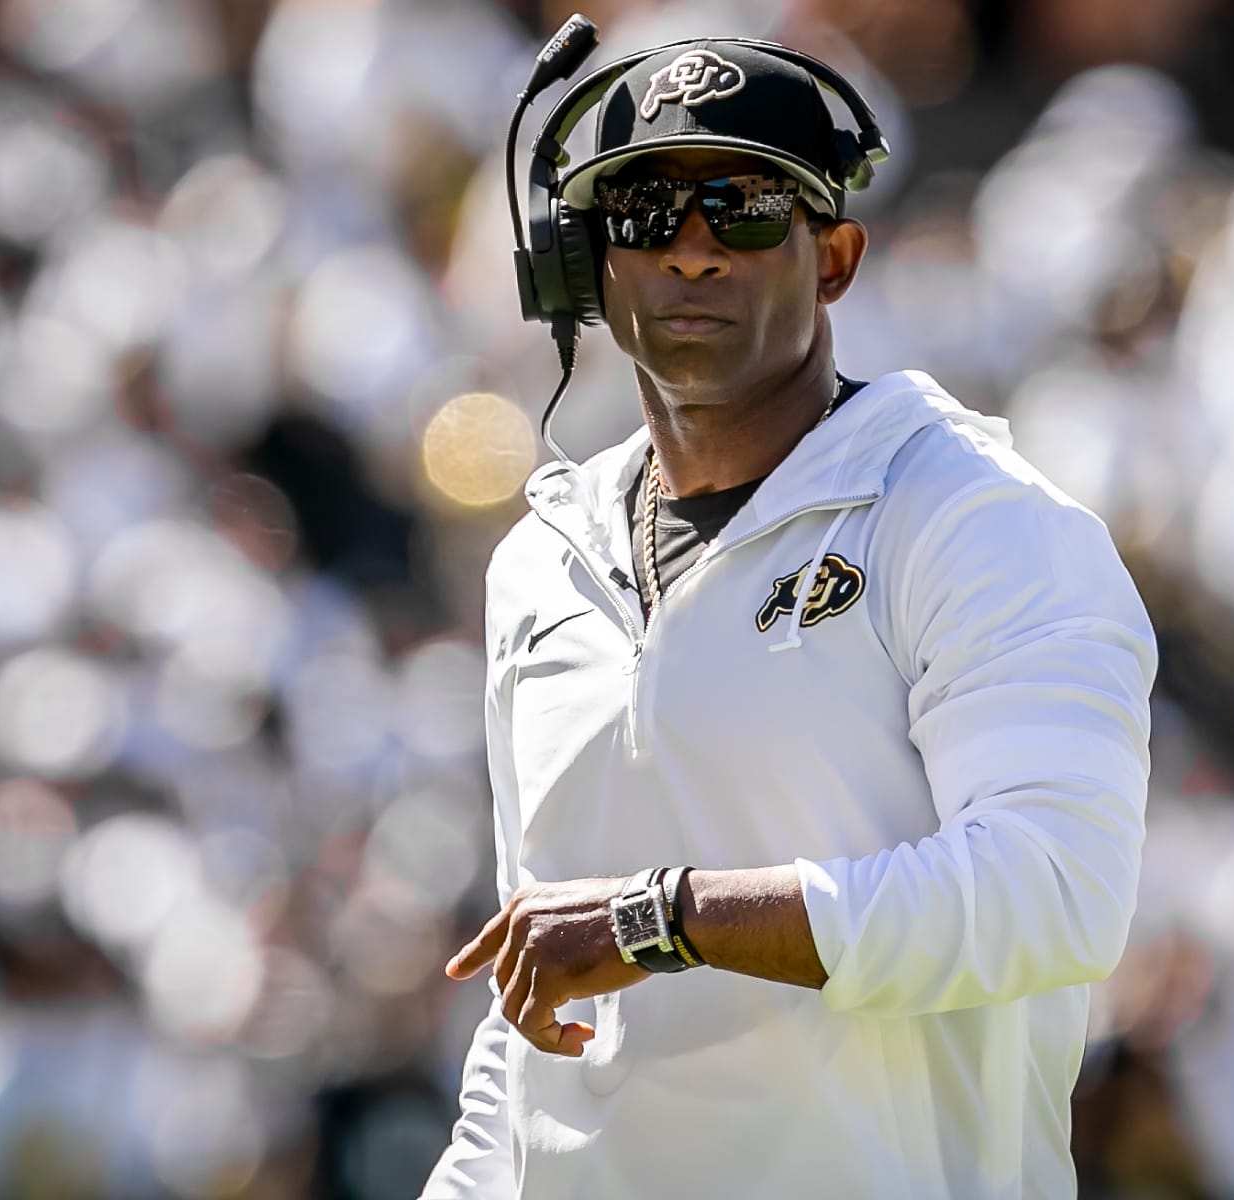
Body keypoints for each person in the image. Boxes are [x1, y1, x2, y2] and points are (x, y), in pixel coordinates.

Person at [421, 36, 1157, 1200]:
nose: (696, 252)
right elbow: (534, 1021)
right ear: (581, 266)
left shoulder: (979, 518)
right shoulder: (539, 566)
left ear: (836, 258)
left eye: (748, 208)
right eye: (651, 211)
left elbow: (1052, 895)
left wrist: (665, 918)